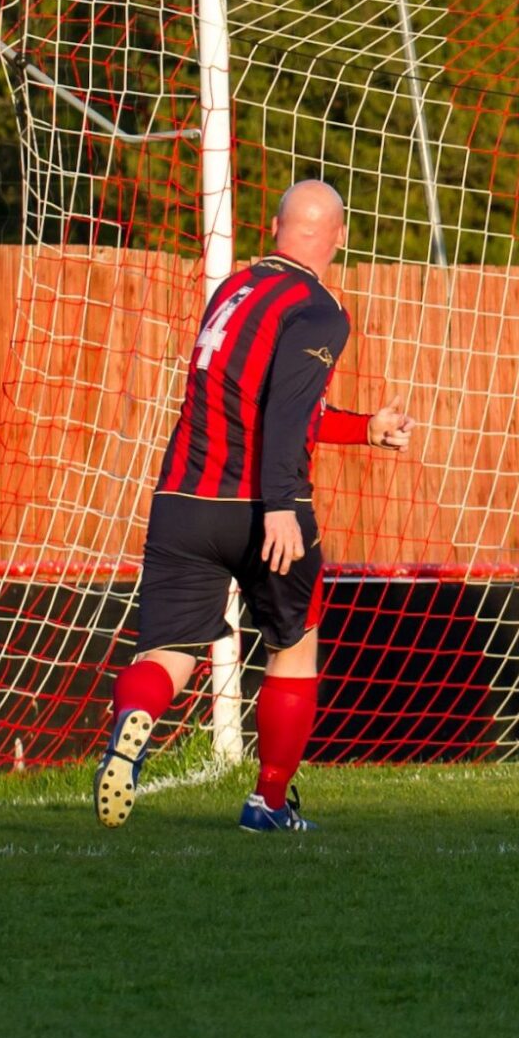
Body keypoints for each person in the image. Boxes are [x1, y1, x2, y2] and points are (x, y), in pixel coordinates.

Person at [93, 180, 413, 832]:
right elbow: (289, 413)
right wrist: (283, 504)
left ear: (274, 228)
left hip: (182, 500)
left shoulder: (233, 292)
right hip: (261, 505)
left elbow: (260, 398)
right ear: (341, 237)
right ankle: (268, 802)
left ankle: (135, 721)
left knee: (168, 651)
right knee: (294, 645)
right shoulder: (319, 308)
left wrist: (363, 428)